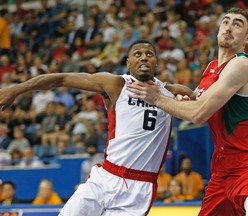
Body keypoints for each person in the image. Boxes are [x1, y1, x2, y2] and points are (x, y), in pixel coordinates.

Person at [0, 39, 194, 215]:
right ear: (128, 63)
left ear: (156, 63)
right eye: (138, 54)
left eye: (149, 54)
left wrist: (187, 103)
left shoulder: (174, 92)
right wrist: (16, 89)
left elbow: (205, 108)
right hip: (105, 177)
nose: (144, 57)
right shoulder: (116, 84)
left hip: (139, 186)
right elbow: (62, 78)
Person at [127, 8, 248, 215]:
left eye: (237, 24)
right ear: (218, 31)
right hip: (222, 168)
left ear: (247, 38)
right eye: (225, 22)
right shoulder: (211, 68)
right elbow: (196, 101)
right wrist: (183, 98)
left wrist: (155, 97)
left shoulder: (242, 65)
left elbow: (198, 113)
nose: (229, 27)